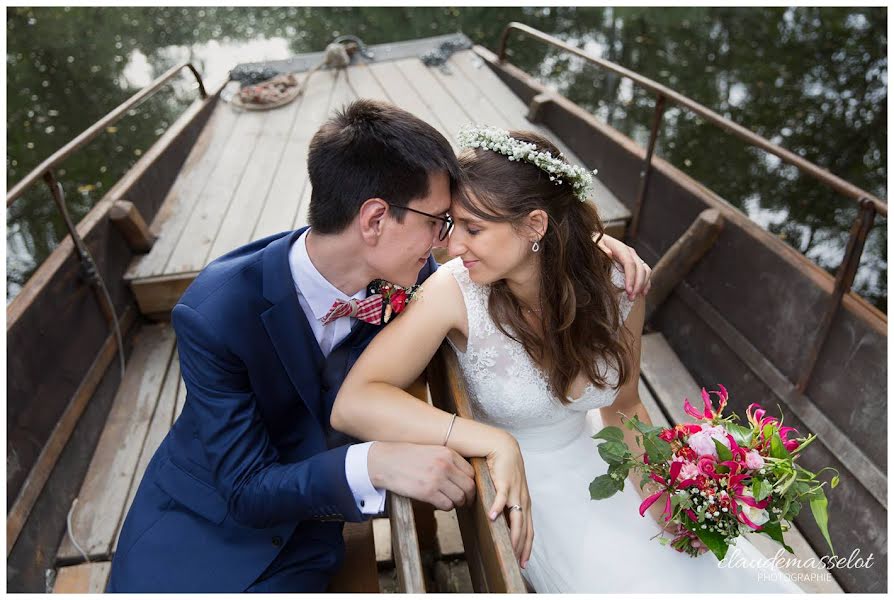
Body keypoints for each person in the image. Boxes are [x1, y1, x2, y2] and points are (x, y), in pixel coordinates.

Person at [107, 101, 650, 592]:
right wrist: (375, 463)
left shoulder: (414, 268)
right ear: (372, 220)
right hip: (204, 527)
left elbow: (514, 240)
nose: (449, 243)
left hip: (312, 538)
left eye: (457, 226)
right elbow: (245, 489)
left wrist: (578, 242)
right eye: (440, 222)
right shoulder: (215, 313)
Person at [331, 126, 803, 593]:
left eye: (474, 229)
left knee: (710, 574)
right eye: (455, 226)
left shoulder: (621, 285)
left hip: (600, 463)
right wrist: (492, 441)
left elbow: (624, 407)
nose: (452, 247)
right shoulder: (455, 291)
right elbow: (353, 403)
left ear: (536, 225)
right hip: (527, 493)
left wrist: (663, 496)